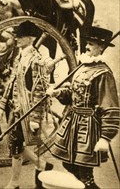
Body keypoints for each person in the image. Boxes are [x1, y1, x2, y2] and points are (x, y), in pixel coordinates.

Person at [47, 25, 119, 189]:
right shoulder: (82, 67)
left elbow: (111, 107)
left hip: (89, 128)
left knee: (85, 173)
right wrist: (57, 93)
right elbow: (72, 96)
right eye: (87, 42)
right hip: (73, 124)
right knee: (68, 164)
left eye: (92, 44)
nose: (87, 46)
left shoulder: (103, 73)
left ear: (101, 48)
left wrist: (106, 137)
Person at [3, 21, 55, 189]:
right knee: (15, 143)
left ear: (31, 38)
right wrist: (2, 104)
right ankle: (37, 167)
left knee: (26, 144)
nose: (16, 38)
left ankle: (21, 182)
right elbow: (11, 83)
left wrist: (34, 118)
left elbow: (40, 92)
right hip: (17, 108)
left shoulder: (37, 61)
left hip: (30, 110)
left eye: (21, 36)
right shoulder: (19, 56)